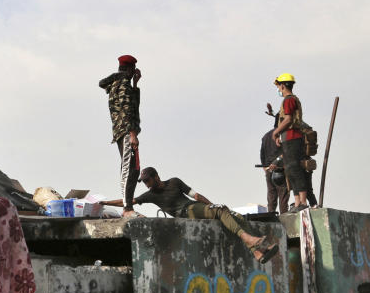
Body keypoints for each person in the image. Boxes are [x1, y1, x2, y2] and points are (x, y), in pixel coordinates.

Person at [104, 167, 278, 263]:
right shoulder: (150, 195)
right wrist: (105, 203)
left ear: (156, 176)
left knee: (235, 216)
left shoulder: (174, 182)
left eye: (148, 180)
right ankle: (250, 241)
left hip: (194, 206)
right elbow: (127, 201)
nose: (147, 185)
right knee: (220, 210)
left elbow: (195, 195)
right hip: (186, 213)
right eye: (145, 183)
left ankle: (257, 252)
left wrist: (210, 205)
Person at [99, 55, 142, 217]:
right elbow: (127, 110)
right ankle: (127, 207)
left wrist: (135, 85)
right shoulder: (123, 85)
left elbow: (132, 105)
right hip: (126, 131)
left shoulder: (121, 84)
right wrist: (132, 134)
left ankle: (127, 205)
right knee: (129, 169)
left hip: (123, 131)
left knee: (134, 169)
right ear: (129, 69)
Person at [270, 73, 316, 212]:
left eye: (278, 86)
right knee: (289, 170)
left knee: (295, 169)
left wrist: (276, 132)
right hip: (288, 138)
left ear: (283, 86)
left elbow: (289, 119)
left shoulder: (289, 100)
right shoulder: (289, 100)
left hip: (293, 138)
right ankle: (297, 203)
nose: (278, 89)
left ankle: (302, 202)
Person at [260, 118, 289, 213]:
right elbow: (286, 152)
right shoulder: (282, 135)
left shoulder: (265, 137)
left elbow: (262, 155)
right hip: (280, 171)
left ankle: (271, 217)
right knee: (283, 196)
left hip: (268, 170)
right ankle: (284, 219)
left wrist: (266, 169)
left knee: (271, 197)